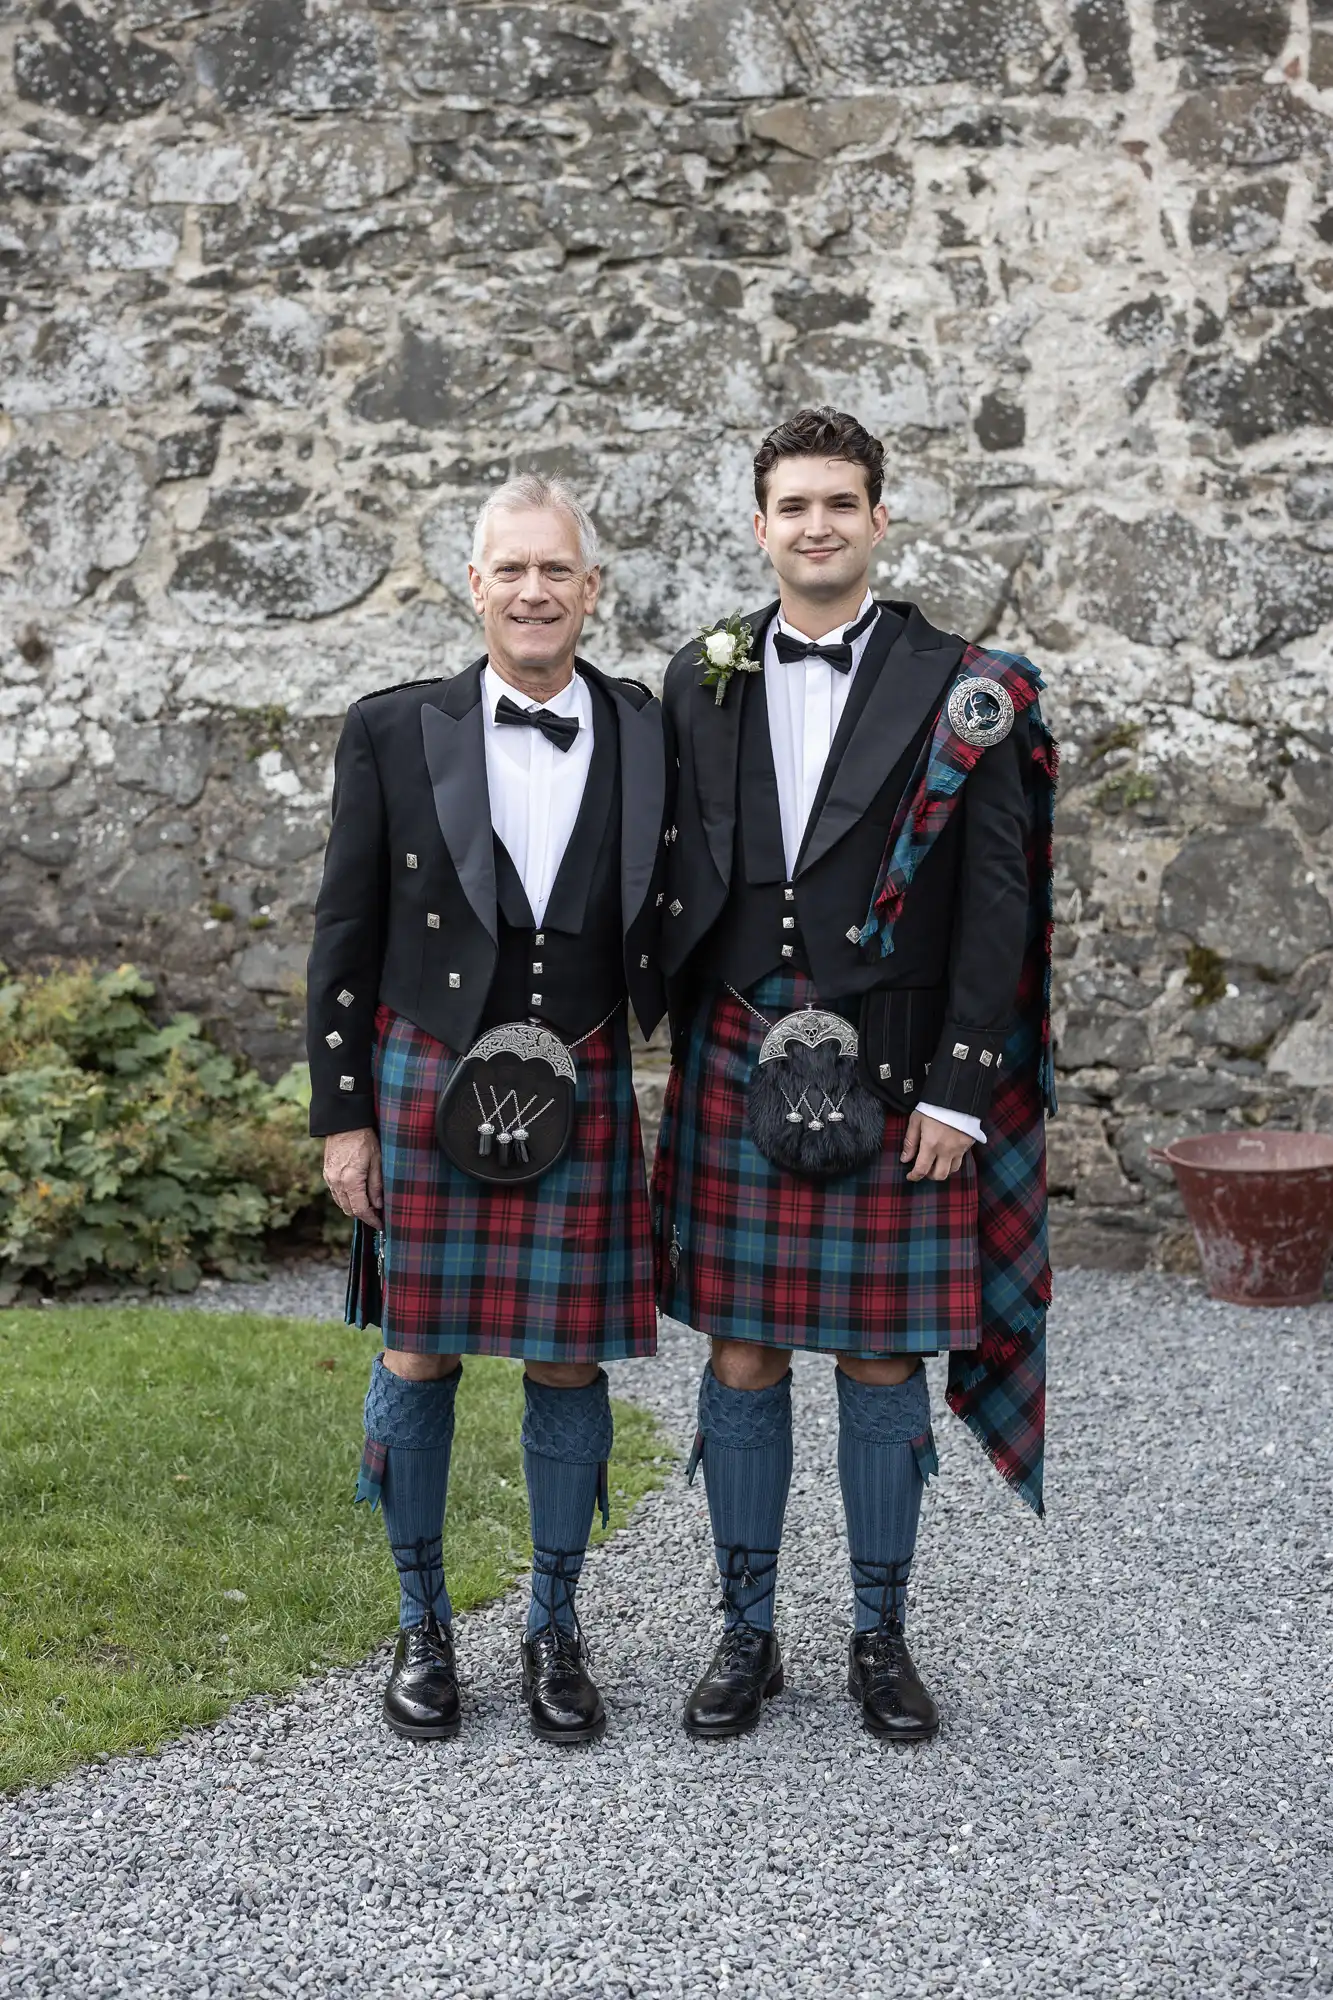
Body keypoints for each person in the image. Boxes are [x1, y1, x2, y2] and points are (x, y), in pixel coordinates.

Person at [652, 406, 1057, 1743]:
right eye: (791, 505)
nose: (815, 525)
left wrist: (957, 1085)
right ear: (759, 524)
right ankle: (746, 1632)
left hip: (891, 1066)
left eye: (840, 502)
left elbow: (996, 903)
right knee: (747, 1345)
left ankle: (880, 1637)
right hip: (734, 1043)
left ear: (881, 519)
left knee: (882, 1353)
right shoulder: (696, 674)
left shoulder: (960, 684)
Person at [307, 473, 670, 1745]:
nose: (532, 591)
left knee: (566, 1355)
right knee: (419, 1346)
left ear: (589, 588)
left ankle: (555, 1627)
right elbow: (343, 934)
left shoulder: (642, 725)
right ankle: (421, 1624)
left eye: (554, 570)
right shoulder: (393, 728)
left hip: (579, 1073)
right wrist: (343, 1116)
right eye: (508, 569)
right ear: (473, 584)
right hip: (427, 1075)